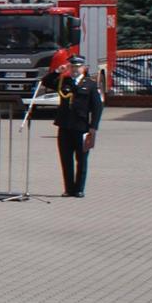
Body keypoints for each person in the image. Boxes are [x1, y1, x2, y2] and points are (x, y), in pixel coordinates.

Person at [40, 56, 103, 198]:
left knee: (81, 159)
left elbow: (97, 107)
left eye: (78, 67)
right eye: (73, 66)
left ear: (84, 68)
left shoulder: (90, 84)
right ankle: (68, 189)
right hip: (64, 126)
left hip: (82, 127)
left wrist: (93, 127)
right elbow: (46, 82)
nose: (75, 69)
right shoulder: (64, 81)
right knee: (66, 159)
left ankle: (79, 189)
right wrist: (57, 71)